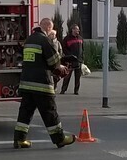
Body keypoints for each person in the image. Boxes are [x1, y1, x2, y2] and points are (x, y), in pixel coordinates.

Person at [14, 18, 76, 149]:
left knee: (25, 113)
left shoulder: (29, 39)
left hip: (26, 84)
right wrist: (62, 68)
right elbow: (53, 61)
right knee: (50, 112)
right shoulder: (44, 40)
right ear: (48, 27)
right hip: (41, 84)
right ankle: (60, 139)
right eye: (51, 29)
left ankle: (19, 139)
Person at [60, 24, 84, 95]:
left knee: (78, 77)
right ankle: (63, 90)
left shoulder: (80, 38)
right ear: (73, 30)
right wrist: (69, 56)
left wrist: (82, 59)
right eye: (77, 29)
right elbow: (64, 48)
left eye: (78, 29)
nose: (78, 30)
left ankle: (76, 91)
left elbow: (82, 49)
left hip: (78, 60)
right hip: (70, 61)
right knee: (67, 76)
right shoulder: (67, 39)